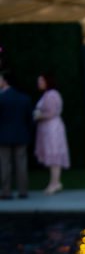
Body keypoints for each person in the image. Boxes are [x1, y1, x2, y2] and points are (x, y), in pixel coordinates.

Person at [33, 73, 70, 195]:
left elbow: (52, 112)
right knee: (52, 155)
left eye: (41, 81)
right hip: (48, 127)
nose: (39, 83)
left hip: (52, 128)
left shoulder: (52, 95)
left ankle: (55, 183)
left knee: (54, 155)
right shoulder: (48, 94)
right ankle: (54, 182)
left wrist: (39, 116)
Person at [0, 71, 33, 199]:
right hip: (21, 135)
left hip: (3, 136)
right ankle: (23, 191)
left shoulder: (1, 98)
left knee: (5, 165)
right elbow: (29, 120)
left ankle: (6, 192)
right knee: (21, 164)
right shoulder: (24, 98)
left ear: (5, 81)